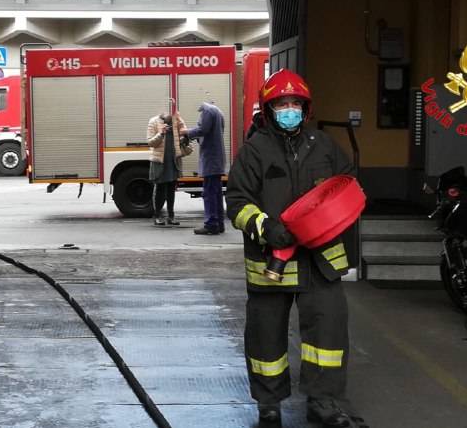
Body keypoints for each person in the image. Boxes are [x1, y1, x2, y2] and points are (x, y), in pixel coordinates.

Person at [226, 69, 367, 428]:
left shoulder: (324, 146)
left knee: (328, 333)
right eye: (281, 104)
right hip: (271, 261)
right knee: (265, 334)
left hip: (321, 261)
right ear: (269, 109)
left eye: (295, 104)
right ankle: (269, 404)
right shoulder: (255, 151)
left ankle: (323, 402)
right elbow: (238, 201)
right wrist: (265, 227)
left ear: (306, 109)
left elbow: (346, 184)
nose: (288, 109)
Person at [185, 102, 226, 235]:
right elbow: (209, 132)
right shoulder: (218, 112)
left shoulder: (207, 111)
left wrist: (186, 133)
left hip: (211, 159)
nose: (199, 120)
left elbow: (203, 130)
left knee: (209, 194)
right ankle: (219, 223)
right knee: (216, 193)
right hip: (217, 159)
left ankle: (211, 224)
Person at [146, 108, 191, 226]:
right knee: (160, 188)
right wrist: (161, 133)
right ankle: (157, 215)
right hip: (160, 161)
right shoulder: (154, 122)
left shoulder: (177, 121)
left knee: (171, 189)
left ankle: (171, 216)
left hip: (173, 160)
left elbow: (185, 136)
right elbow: (150, 142)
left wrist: (184, 138)